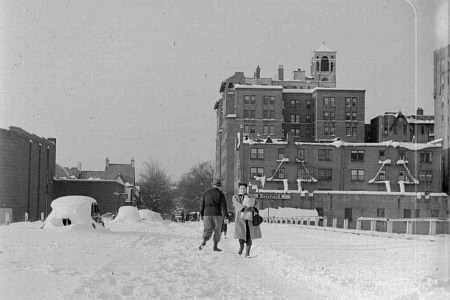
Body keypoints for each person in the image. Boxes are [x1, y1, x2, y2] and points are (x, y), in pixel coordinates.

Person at [199, 179, 230, 251]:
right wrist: (226, 216)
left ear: (212, 185)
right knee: (217, 230)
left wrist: (201, 213)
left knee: (207, 229)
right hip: (217, 213)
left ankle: (204, 241)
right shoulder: (220, 193)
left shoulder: (206, 193)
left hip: (207, 213)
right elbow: (223, 206)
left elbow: (202, 204)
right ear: (220, 186)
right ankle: (215, 246)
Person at [232, 183, 262, 257]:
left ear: (246, 189)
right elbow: (236, 204)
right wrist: (244, 208)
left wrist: (253, 208)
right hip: (240, 219)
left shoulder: (250, 196)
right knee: (241, 235)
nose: (243, 190)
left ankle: (247, 253)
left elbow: (256, 203)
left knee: (249, 235)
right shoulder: (235, 197)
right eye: (241, 188)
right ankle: (241, 248)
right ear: (238, 189)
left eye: (244, 188)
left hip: (249, 219)